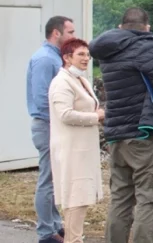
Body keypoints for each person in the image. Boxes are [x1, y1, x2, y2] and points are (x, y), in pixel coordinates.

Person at [89, 7, 153, 243]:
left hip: (117, 137)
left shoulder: (108, 50)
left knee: (120, 200)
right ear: (147, 28)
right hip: (144, 137)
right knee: (151, 201)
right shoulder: (145, 46)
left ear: (121, 27)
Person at [48, 38, 105, 243]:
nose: (86, 58)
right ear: (67, 57)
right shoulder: (61, 82)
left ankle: (75, 239)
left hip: (83, 149)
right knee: (75, 199)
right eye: (80, 54)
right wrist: (96, 117)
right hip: (71, 150)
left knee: (81, 199)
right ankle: (73, 240)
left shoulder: (81, 79)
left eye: (88, 55)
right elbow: (64, 114)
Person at [26, 15, 75, 243]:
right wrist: (61, 121)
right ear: (56, 33)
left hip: (51, 126)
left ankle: (55, 225)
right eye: (70, 32)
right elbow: (42, 98)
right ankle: (46, 232)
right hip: (47, 126)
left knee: (54, 179)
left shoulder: (53, 57)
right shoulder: (46, 59)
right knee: (47, 180)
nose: (73, 37)